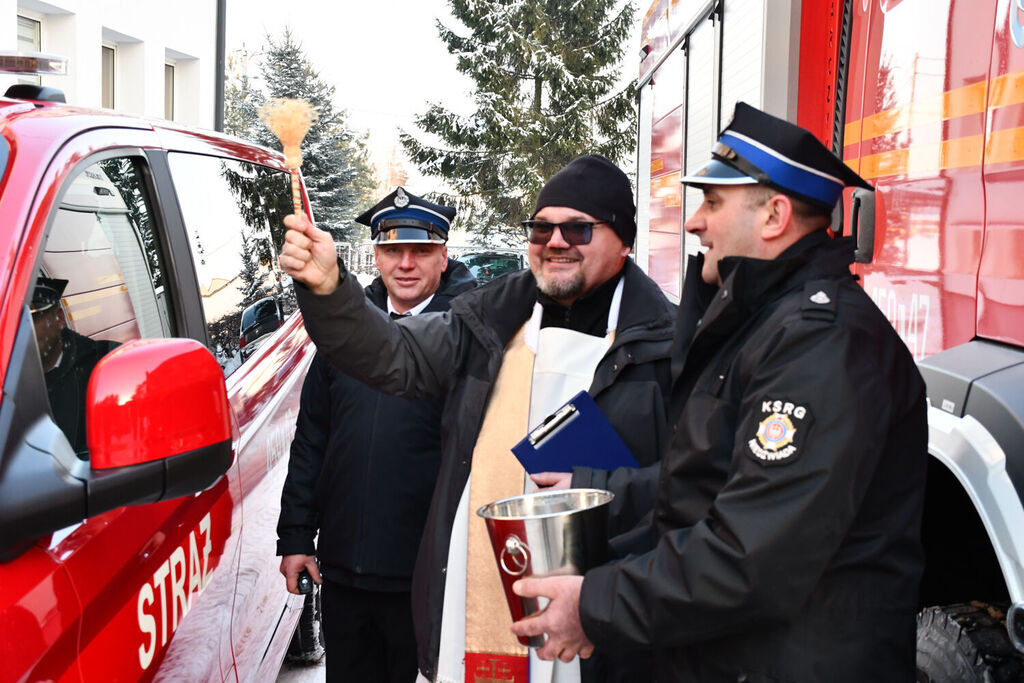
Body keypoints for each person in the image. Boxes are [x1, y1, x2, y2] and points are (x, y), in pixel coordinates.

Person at [510, 102, 929, 682]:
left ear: (775, 216)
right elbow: (720, 473)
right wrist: (596, 489)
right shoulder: (763, 323)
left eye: (712, 202)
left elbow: (753, 556)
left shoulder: (822, 346)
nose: (693, 222)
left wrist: (593, 606)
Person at [279, 155, 677, 683]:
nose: (555, 241)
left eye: (578, 228)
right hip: (477, 591)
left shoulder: (669, 348)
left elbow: (698, 493)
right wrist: (330, 290)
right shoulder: (492, 319)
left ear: (623, 240)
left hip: (602, 617)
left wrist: (601, 489)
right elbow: (393, 355)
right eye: (541, 227)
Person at [276, 188, 476, 683]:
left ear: (444, 254)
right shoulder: (344, 331)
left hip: (429, 578)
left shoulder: (470, 338)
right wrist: (297, 535)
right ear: (376, 255)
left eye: (422, 251)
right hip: (345, 570)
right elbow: (313, 438)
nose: (405, 264)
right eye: (392, 251)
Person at [31, 276, 118, 456]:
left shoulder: (105, 364)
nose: (25, 328)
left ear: (59, 317)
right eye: (13, 319)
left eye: (34, 316)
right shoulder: (10, 381)